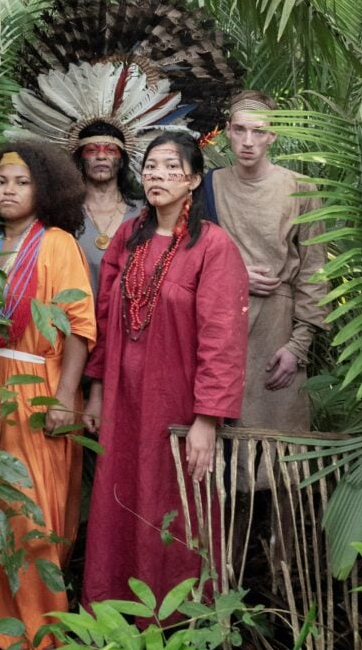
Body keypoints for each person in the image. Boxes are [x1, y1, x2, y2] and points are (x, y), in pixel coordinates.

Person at [81, 132, 248, 612]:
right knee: (118, 501)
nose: (158, 175)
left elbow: (223, 340)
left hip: (176, 404)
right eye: (151, 167)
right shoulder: (127, 238)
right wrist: (95, 393)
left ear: (194, 179)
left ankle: (179, 623)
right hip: (122, 401)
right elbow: (106, 319)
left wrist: (207, 420)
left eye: (172, 168)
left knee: (171, 507)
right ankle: (112, 614)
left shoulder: (213, 247)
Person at [0, 140, 96, 650]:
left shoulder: (58, 245)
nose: (8, 190)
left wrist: (64, 398)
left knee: (35, 515)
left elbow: (80, 329)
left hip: (39, 389)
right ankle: (6, 634)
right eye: (1, 181)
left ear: (45, 189)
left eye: (22, 182)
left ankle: (47, 638)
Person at [203, 91, 327, 478]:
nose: (248, 141)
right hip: (218, 327)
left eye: (259, 132)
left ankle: (286, 538)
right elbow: (186, 256)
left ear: (273, 135)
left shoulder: (301, 189)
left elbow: (314, 270)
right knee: (218, 444)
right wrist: (234, 274)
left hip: (276, 325)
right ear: (227, 132)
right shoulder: (207, 186)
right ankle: (223, 537)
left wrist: (298, 346)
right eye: (239, 130)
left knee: (281, 451)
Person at [73, 120, 142, 298]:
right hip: (78, 321)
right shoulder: (64, 215)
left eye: (110, 150)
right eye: (92, 150)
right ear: (81, 159)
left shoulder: (144, 213)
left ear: (121, 161)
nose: (101, 156)